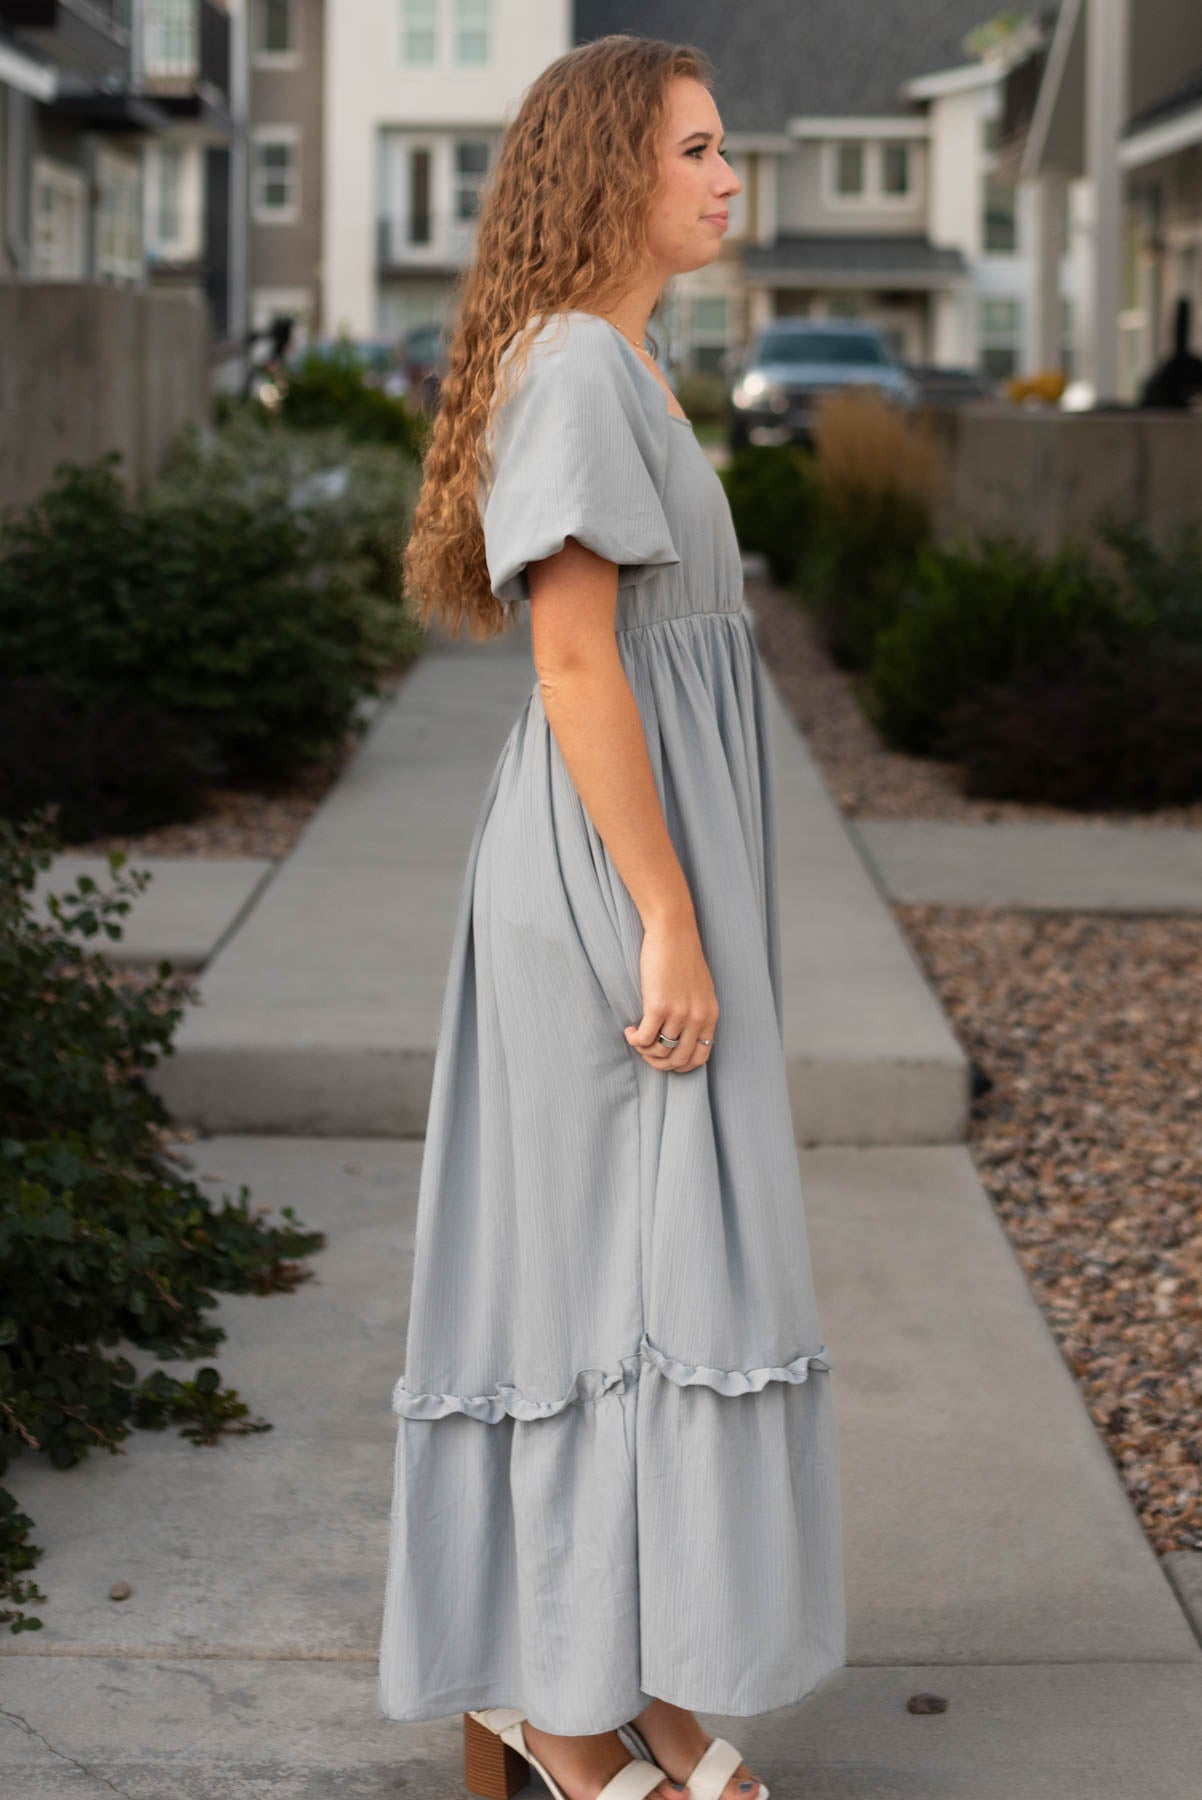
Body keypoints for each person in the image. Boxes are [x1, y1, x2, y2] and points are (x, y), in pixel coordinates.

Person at [378, 34, 846, 1800]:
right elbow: (577, 659)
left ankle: (615, 1681)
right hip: (605, 877)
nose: (731, 179)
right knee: (595, 1286)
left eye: (730, 148)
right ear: (608, 171)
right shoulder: (576, 368)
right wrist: (665, 912)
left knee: (642, 1281)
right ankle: (550, 1700)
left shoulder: (628, 366)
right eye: (702, 149)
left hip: (650, 857)